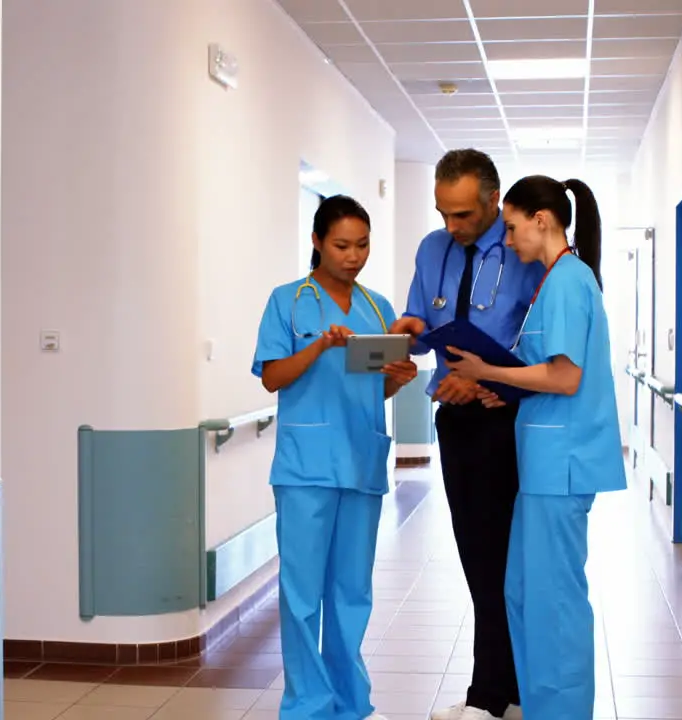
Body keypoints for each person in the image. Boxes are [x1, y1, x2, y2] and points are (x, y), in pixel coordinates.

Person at [444, 175, 627, 720]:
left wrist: (488, 371)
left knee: (556, 604)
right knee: (522, 592)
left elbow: (567, 377)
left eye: (513, 226)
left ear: (541, 220)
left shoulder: (570, 281)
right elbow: (548, 372)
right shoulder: (554, 281)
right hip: (542, 464)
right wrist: (511, 391)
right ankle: (540, 704)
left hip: (561, 466)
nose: (509, 238)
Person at [387, 149, 545, 720]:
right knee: (477, 558)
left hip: (508, 416)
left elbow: (542, 341)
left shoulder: (522, 248)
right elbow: (422, 322)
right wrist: (408, 332)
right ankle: (502, 692)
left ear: (492, 201)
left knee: (506, 560)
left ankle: (498, 694)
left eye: (462, 216)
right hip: (454, 417)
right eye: (442, 214)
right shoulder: (433, 249)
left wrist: (491, 383)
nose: (451, 227)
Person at [252, 194, 418, 720]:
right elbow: (273, 376)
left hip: (361, 463)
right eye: (342, 245)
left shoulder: (377, 310)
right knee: (302, 596)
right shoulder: (289, 302)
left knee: (351, 593)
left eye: (363, 245)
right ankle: (306, 705)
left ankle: (351, 704)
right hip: (305, 468)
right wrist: (319, 346)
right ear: (317, 242)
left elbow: (376, 393)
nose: (353, 256)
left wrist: (398, 379)